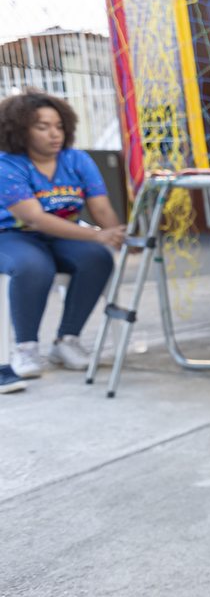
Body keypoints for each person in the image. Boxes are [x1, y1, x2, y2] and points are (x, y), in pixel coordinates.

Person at [0, 91, 124, 380]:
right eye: (42, 127)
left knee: (97, 258)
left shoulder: (77, 159)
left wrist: (118, 237)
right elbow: (34, 218)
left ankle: (66, 341)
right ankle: (26, 347)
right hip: (11, 236)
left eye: (58, 125)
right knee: (33, 267)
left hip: (61, 234)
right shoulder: (7, 165)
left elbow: (102, 210)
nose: (55, 134)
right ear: (18, 130)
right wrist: (96, 235)